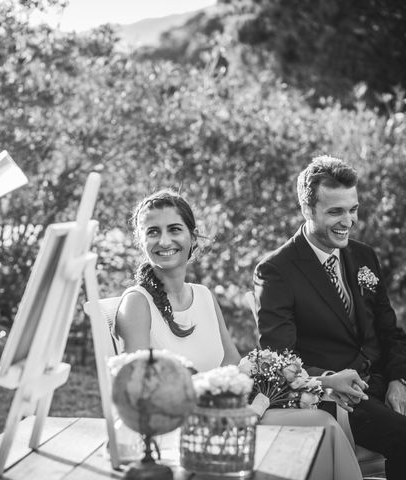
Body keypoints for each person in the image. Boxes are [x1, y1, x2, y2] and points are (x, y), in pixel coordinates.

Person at [116, 189, 362, 480]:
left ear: (192, 238)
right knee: (321, 425)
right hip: (182, 431)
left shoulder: (204, 296)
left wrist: (321, 382)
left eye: (174, 229)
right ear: (141, 240)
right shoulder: (136, 302)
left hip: (225, 415)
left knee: (323, 425)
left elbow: (236, 371)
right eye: (153, 231)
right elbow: (138, 393)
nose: (165, 240)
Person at [254, 155, 406, 479]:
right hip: (337, 397)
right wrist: (326, 380)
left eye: (353, 209)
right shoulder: (275, 272)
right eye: (335, 211)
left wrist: (398, 379)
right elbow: (279, 358)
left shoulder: (364, 255)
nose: (348, 221)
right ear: (307, 210)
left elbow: (389, 329)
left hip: (382, 381)